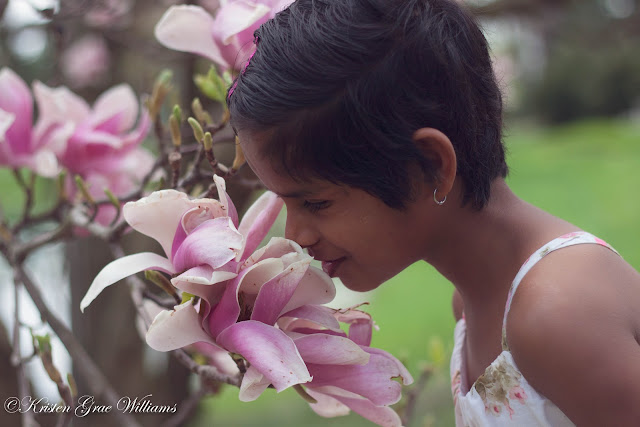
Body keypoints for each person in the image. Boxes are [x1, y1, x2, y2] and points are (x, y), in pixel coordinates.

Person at [226, 0, 640, 425]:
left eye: (316, 203)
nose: (295, 235)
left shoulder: (558, 313)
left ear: (430, 166)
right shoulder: (474, 302)